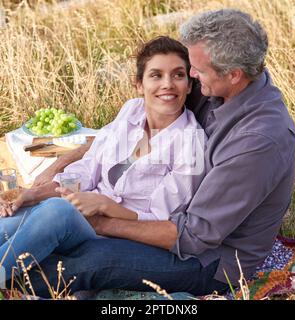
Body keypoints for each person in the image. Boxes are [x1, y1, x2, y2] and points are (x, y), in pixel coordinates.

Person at [4, 9, 295, 298]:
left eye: (195, 71)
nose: (191, 77)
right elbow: (120, 134)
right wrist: (59, 166)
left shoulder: (258, 141)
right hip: (163, 221)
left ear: (234, 74)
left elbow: (193, 237)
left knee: (86, 261)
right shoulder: (223, 77)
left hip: (211, 260)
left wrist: (100, 220)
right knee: (37, 220)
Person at [0, 36, 205, 280]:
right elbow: (86, 171)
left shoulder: (192, 142)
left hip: (120, 236)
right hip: (80, 214)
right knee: (11, 218)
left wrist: (106, 206)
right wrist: (31, 194)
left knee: (57, 211)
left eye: (178, 75)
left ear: (189, 85)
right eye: (156, 75)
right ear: (139, 84)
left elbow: (162, 218)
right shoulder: (132, 110)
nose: (168, 84)